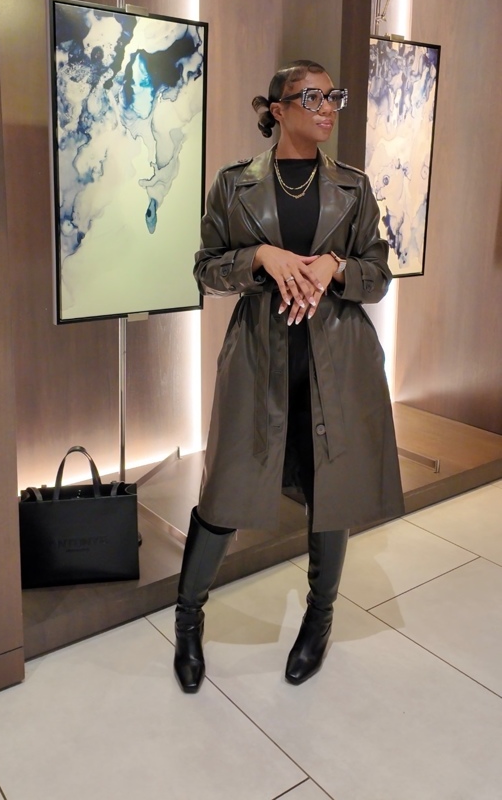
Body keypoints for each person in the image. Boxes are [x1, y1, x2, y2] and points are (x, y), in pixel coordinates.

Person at [173, 60, 404, 693]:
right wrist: (260, 257)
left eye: (334, 96)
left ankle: (318, 620)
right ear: (278, 109)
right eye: (313, 97)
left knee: (331, 493)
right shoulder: (234, 185)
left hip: (337, 361)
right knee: (224, 492)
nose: (328, 107)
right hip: (258, 358)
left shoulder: (354, 187)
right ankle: (188, 621)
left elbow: (379, 275)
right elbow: (206, 268)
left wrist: (335, 267)